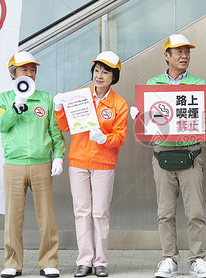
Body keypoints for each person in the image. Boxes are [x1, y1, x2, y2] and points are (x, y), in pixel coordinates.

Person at [130, 34, 206, 278]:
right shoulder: (152, 83)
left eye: (187, 51)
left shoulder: (198, 83)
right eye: (178, 52)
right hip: (162, 155)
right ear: (166, 56)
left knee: (195, 212)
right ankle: (169, 259)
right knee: (165, 212)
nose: (184, 56)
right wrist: (139, 116)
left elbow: (204, 124)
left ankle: (197, 260)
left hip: (191, 154)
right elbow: (147, 125)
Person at [53, 51, 128, 277]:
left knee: (100, 213)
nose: (99, 75)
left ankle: (101, 261)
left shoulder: (119, 104)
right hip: (78, 162)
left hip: (104, 164)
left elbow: (120, 136)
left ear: (114, 77)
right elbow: (66, 126)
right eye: (97, 70)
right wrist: (58, 108)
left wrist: (104, 138)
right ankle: (84, 260)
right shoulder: (79, 96)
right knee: (82, 212)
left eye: (106, 72)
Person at [0, 51, 65, 278]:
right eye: (24, 69)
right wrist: (16, 106)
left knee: (47, 216)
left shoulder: (46, 99)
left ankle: (48, 262)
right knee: (13, 217)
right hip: (13, 164)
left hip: (41, 163)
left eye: (33, 69)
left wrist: (59, 156)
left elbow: (55, 132)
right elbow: (1, 126)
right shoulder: (3, 99)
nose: (30, 73)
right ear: (13, 73)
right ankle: (12, 263)